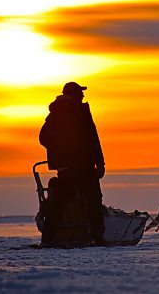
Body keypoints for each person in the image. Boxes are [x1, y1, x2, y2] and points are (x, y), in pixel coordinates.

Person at [39, 82, 106, 246]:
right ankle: (48, 239)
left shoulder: (82, 111)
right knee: (61, 202)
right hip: (70, 168)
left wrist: (100, 162)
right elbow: (44, 137)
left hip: (85, 166)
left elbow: (92, 138)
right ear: (73, 94)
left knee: (93, 200)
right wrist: (63, 156)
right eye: (80, 92)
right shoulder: (59, 112)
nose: (83, 95)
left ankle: (97, 238)